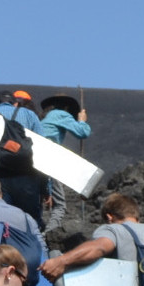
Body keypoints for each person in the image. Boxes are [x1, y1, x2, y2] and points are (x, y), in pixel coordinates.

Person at [0, 90, 51, 229]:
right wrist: (46, 188)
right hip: (27, 177)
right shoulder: (30, 115)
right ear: (15, 104)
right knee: (29, 224)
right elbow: (43, 152)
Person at [37, 94, 92, 232]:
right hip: (48, 159)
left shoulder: (44, 117)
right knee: (60, 205)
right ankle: (49, 235)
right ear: (66, 107)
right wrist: (82, 120)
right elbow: (82, 132)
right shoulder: (60, 114)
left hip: (36, 158)